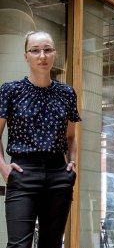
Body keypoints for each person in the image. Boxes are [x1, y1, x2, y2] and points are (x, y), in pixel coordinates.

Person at [0, 30, 81, 248]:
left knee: (52, 244)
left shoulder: (67, 93)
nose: (42, 56)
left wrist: (72, 163)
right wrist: (3, 167)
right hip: (22, 172)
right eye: (35, 51)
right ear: (26, 56)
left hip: (58, 173)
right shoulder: (11, 90)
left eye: (47, 50)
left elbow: (71, 136)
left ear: (55, 54)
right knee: (19, 245)